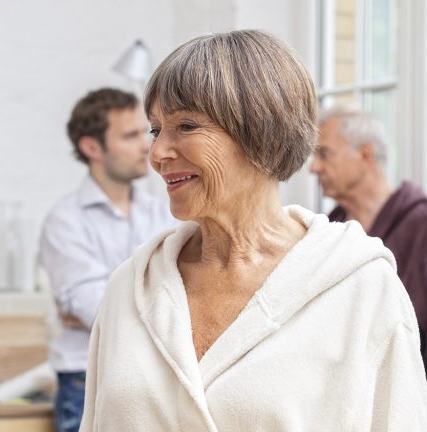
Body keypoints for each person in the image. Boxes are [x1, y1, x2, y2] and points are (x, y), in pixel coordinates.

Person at [79, 30, 427, 431]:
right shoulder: (131, 287)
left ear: (261, 131)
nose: (157, 154)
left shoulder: (361, 289)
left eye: (186, 126)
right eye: (157, 130)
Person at [38, 88, 175, 432]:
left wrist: (116, 301)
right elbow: (94, 308)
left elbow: (191, 289)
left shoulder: (165, 211)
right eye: (130, 136)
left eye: (146, 133)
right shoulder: (65, 220)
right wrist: (163, 300)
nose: (147, 146)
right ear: (92, 147)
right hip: (87, 381)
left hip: (155, 378)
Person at [311, 106, 427, 369]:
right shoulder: (329, 230)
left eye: (324, 154)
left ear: (365, 155)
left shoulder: (421, 225)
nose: (314, 167)